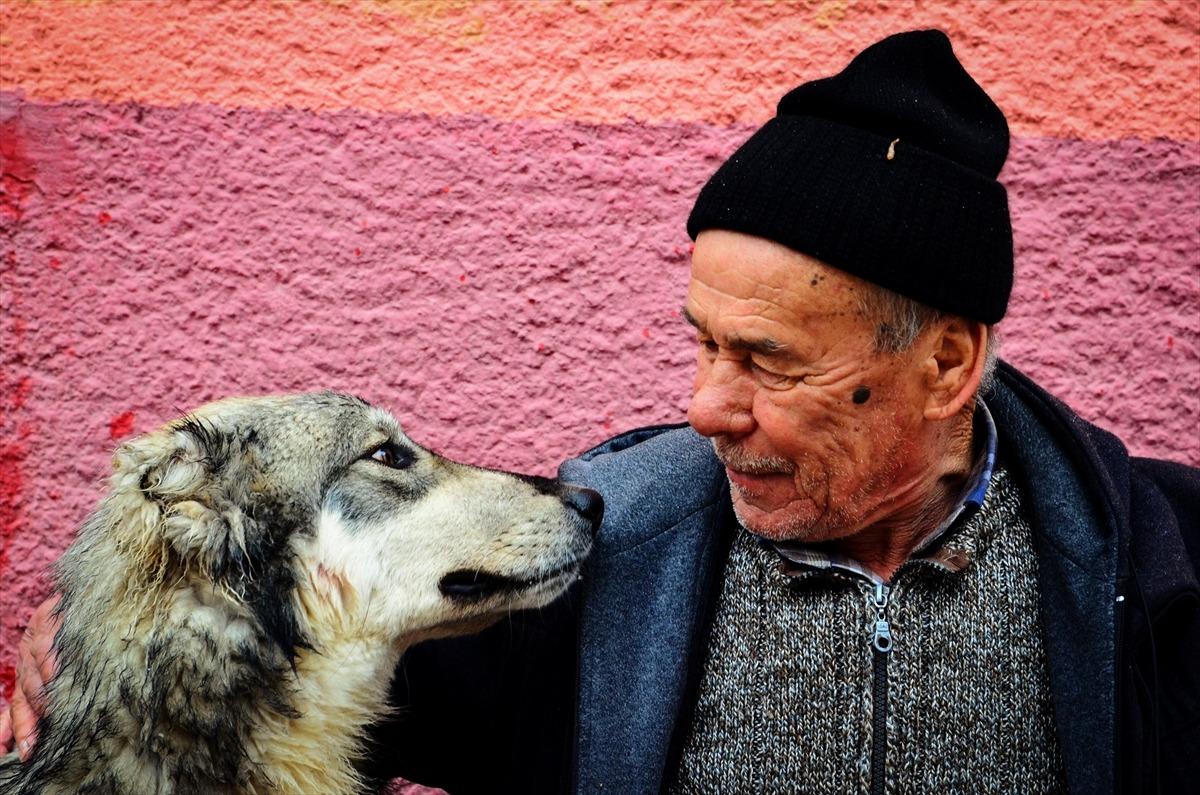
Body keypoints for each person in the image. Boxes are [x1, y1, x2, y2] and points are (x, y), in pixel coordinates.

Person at [4, 29, 1197, 795]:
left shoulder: (1167, 568)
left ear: (946, 366)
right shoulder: (600, 555)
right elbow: (281, 657)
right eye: (703, 343)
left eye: (768, 362)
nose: (705, 407)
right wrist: (103, 636)